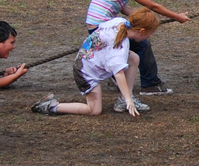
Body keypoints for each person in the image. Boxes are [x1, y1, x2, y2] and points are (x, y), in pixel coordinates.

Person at [86, 0, 189, 96]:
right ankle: (150, 84)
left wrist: (141, 18)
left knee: (123, 49)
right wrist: (177, 16)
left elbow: (121, 8)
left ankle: (115, 75)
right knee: (141, 45)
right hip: (103, 29)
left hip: (95, 28)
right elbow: (153, 6)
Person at [30, 9, 159, 118]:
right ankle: (51, 106)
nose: (149, 37)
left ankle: (121, 101)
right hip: (85, 72)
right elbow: (119, 73)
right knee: (94, 110)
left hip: (88, 61)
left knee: (133, 58)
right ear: (141, 31)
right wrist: (128, 99)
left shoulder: (120, 22)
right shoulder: (119, 46)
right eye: (150, 33)